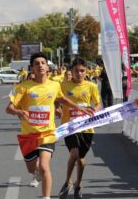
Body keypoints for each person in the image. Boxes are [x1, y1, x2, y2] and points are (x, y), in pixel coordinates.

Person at [6, 53, 94, 199]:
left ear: (47, 67)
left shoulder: (54, 85)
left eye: (43, 63)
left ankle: (46, 197)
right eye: (36, 63)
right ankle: (36, 173)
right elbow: (8, 108)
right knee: (32, 169)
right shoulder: (23, 87)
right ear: (32, 68)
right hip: (28, 135)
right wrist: (18, 111)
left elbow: (62, 99)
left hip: (47, 134)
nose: (40, 65)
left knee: (44, 166)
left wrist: (79, 108)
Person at [58, 58, 101, 199]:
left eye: (82, 70)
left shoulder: (92, 86)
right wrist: (57, 109)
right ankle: (67, 182)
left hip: (86, 128)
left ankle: (78, 184)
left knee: (81, 159)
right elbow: (56, 101)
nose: (79, 73)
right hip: (69, 127)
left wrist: (94, 109)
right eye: (76, 70)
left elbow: (98, 104)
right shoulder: (63, 85)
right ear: (71, 71)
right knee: (75, 154)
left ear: (86, 71)